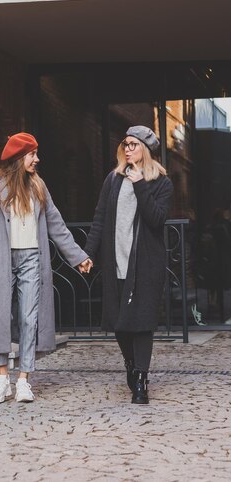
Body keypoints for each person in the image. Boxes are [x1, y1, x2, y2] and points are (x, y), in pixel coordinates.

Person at [0, 132, 92, 404]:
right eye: (32, 154)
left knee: (28, 318)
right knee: (0, 316)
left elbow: (57, 225)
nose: (37, 159)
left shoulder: (39, 186)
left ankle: (23, 379)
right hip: (1, 260)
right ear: (18, 157)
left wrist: (78, 256)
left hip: (32, 259)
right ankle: (1, 379)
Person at [85, 126, 173, 405]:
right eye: (125, 143)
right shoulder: (112, 179)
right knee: (120, 323)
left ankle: (141, 380)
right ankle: (131, 363)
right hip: (116, 261)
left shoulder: (160, 182)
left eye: (134, 144)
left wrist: (140, 184)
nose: (128, 149)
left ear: (145, 149)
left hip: (146, 264)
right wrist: (87, 253)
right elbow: (99, 218)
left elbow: (156, 219)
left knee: (142, 323)